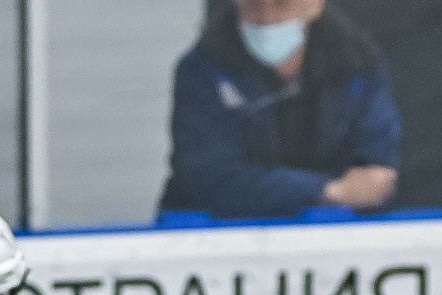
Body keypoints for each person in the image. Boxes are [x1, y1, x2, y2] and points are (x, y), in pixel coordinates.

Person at [159, 0, 400, 220]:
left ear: (316, 5)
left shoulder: (358, 64)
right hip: (216, 236)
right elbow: (214, 180)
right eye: (253, 6)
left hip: (334, 235)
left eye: (282, 4)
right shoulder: (203, 69)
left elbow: (376, 173)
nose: (267, 19)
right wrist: (327, 191)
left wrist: (359, 189)